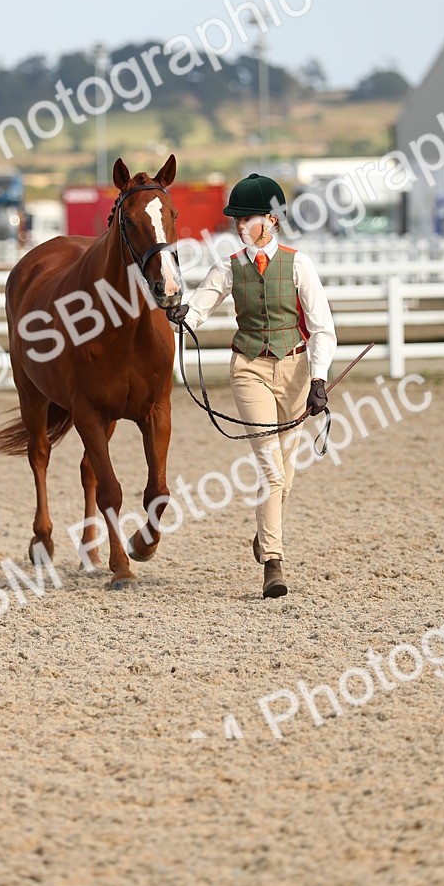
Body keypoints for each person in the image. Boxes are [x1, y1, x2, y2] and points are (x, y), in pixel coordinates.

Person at [166, 173, 336, 599]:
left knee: (287, 476)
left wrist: (318, 379)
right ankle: (274, 564)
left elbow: (322, 328)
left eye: (249, 218)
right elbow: (198, 310)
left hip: (296, 371)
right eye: (237, 220)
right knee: (271, 470)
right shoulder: (228, 267)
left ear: (272, 220)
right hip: (249, 370)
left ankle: (263, 536)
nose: (241, 227)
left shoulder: (300, 264)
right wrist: (178, 314)